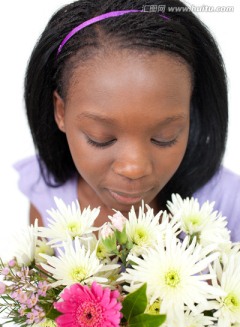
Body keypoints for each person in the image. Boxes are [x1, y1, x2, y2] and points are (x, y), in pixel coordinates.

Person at [14, 0, 240, 242]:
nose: (134, 168)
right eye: (100, 138)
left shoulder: (227, 203)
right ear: (60, 112)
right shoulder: (49, 200)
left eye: (165, 137)